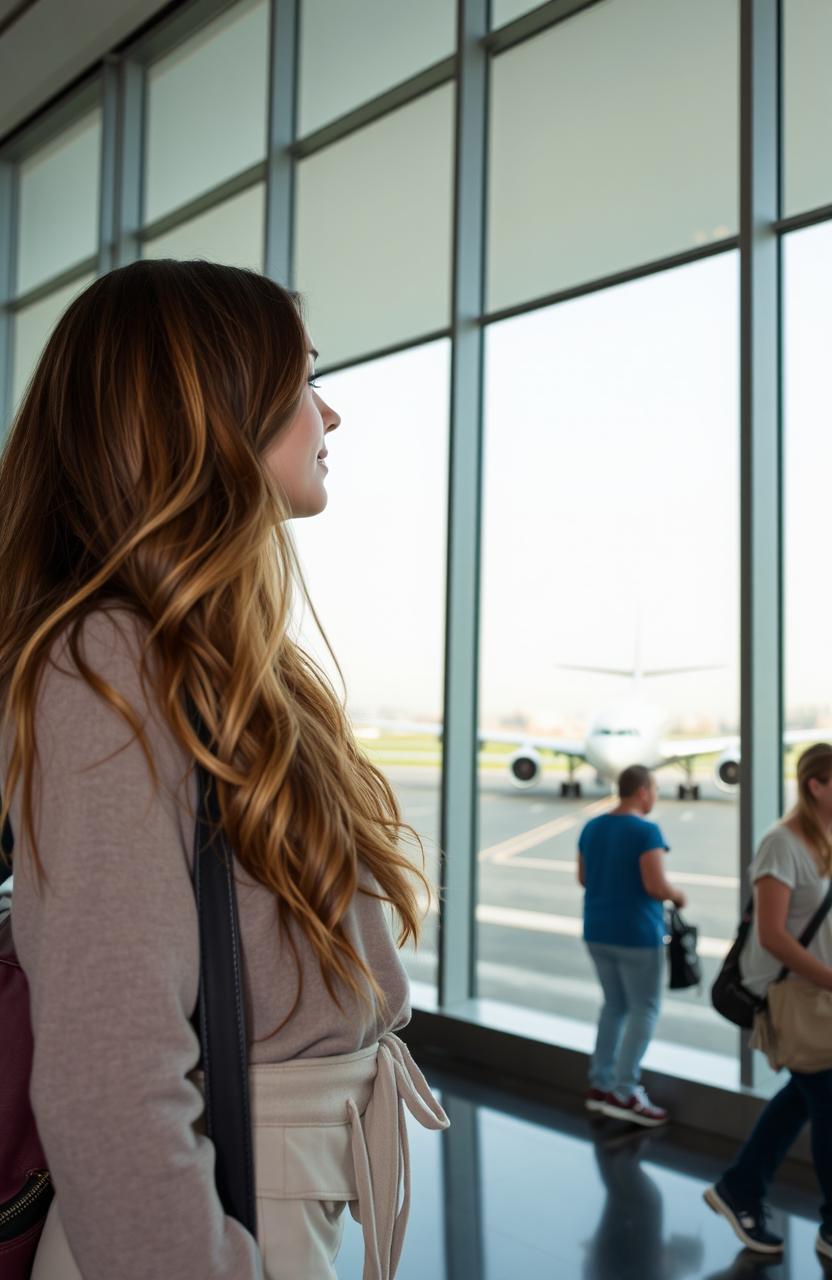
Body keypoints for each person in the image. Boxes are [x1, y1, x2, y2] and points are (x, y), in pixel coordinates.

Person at [0, 260, 448, 1280]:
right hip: (210, 1207)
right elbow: (110, 1072)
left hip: (276, 1186)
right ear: (204, 412)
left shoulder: (208, 659)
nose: (328, 413)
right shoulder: (107, 661)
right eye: (301, 382)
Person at [704, 742, 832, 1263]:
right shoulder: (782, 844)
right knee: (825, 1101)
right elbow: (774, 936)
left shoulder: (825, 840)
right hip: (794, 997)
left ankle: (738, 1187)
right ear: (816, 786)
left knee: (804, 1097)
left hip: (818, 994)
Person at [578, 764, 686, 1126]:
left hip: (597, 930)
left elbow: (583, 877)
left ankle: (600, 1086)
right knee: (645, 1009)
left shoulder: (592, 826)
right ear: (642, 791)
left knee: (614, 1006)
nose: (655, 796)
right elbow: (655, 885)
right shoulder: (646, 831)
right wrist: (678, 895)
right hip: (636, 934)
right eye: (654, 789)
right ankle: (624, 1093)